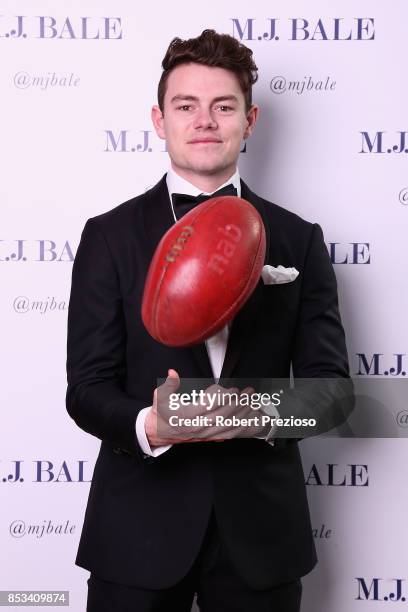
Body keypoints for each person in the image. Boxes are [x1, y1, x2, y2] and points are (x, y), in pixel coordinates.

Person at [66, 29, 351, 612]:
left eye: (223, 107)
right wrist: (151, 424)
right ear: (158, 118)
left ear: (249, 121)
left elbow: (332, 389)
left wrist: (253, 412)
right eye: (185, 106)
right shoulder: (109, 237)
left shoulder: (299, 237)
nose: (204, 121)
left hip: (262, 537)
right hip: (136, 532)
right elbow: (87, 388)